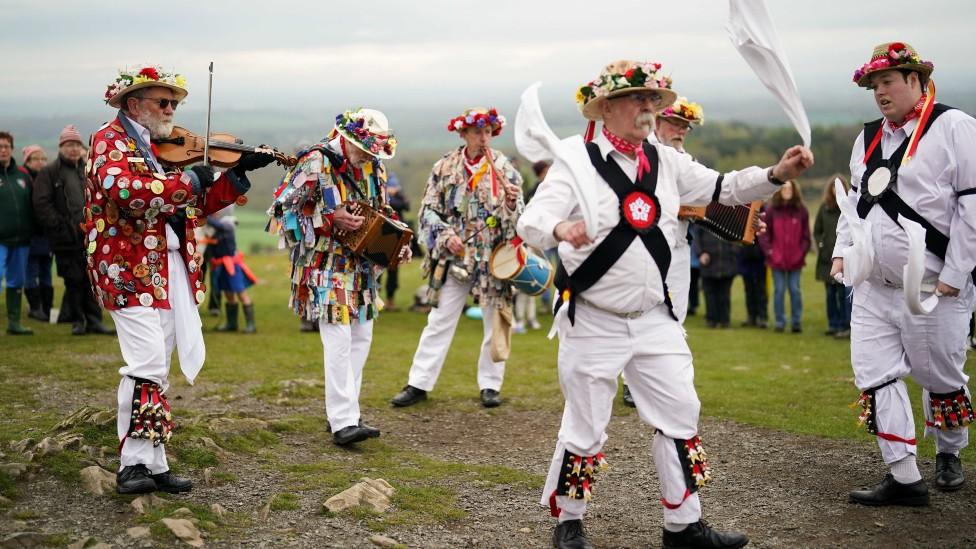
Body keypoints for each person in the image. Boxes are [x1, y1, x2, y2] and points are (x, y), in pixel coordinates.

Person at [518, 59, 813, 548]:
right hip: (593, 320)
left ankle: (683, 526)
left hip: (656, 319)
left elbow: (724, 188)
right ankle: (568, 523)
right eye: (639, 98)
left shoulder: (665, 159)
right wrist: (559, 229)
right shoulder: (573, 159)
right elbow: (532, 219)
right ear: (607, 107)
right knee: (586, 426)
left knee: (681, 414)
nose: (650, 107)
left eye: (654, 99)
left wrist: (777, 173)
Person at [87, 65, 267, 494]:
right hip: (126, 266)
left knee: (158, 365)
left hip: (168, 268)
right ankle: (131, 464)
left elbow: (188, 207)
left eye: (174, 103)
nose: (171, 110)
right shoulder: (108, 140)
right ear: (134, 104)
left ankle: (154, 460)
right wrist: (188, 179)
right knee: (146, 361)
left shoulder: (158, 146)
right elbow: (126, 193)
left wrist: (235, 176)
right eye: (163, 102)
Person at [835, 42, 976, 504]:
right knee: (874, 375)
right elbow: (855, 204)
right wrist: (842, 252)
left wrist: (956, 273)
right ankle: (903, 475)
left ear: (916, 80)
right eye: (874, 84)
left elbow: (972, 210)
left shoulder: (954, 127)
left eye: (888, 80)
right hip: (873, 287)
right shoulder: (869, 136)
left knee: (940, 376)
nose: (880, 92)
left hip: (935, 288)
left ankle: (950, 452)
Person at [269, 108, 407, 446]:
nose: (369, 157)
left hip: (362, 269)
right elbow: (280, 210)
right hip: (323, 264)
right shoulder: (315, 162)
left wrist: (399, 239)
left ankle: (348, 412)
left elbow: (382, 211)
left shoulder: (374, 165)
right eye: (365, 149)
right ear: (347, 139)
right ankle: (343, 420)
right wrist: (329, 218)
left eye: (374, 151)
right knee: (339, 337)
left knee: (362, 336)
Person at [391, 107, 523, 409]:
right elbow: (427, 210)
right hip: (456, 257)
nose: (484, 137)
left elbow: (521, 221)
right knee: (438, 320)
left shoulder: (505, 169)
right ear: (462, 134)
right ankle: (418, 383)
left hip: (493, 258)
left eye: (488, 131)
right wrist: (445, 233)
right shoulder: (444, 167)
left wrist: (513, 204)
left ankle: (491, 385)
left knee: (495, 322)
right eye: (477, 131)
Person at [623, 96, 705, 406]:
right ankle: (631, 383)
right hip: (643, 247)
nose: (681, 130)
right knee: (639, 312)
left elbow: (708, 199)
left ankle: (673, 382)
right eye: (675, 123)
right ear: (657, 122)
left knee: (676, 317)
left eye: (686, 126)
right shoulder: (641, 154)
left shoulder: (689, 162)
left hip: (680, 249)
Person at [33, 125, 114, 336]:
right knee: (73, 280)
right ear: (61, 147)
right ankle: (78, 321)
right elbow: (41, 204)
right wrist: (61, 227)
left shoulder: (86, 170)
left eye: (77, 145)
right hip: (65, 239)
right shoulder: (49, 172)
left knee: (92, 279)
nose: (73, 149)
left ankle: (94, 320)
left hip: (91, 236)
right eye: (69, 145)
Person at [762, 180, 810, 333]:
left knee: (795, 290)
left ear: (794, 190)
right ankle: (780, 321)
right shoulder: (771, 210)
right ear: (779, 190)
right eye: (784, 188)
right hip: (776, 260)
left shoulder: (802, 210)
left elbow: (806, 237)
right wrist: (770, 252)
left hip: (796, 260)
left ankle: (796, 322)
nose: (787, 190)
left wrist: (801, 252)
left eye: (790, 188)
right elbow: (764, 235)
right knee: (779, 290)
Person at [0, 131, 35, 335]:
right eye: (0, 146)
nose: (3, 150)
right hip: (1, 240)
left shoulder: (22, 175)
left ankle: (14, 323)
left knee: (16, 281)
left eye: (6, 146)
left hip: (22, 240)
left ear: (11, 149)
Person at [208, 207, 257, 333]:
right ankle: (231, 324)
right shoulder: (217, 225)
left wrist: (203, 214)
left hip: (232, 265)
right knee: (228, 294)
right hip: (221, 265)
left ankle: (251, 325)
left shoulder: (227, 223)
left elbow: (216, 224)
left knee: (241, 293)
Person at [813, 176, 850, 337]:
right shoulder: (824, 208)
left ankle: (845, 324)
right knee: (830, 294)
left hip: (844, 259)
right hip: (826, 259)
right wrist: (822, 244)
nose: (836, 190)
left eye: (840, 186)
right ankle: (832, 324)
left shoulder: (848, 208)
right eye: (834, 187)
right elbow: (817, 231)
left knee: (843, 294)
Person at [21, 144, 54, 322]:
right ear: (27, 161)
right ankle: (35, 308)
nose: (40, 162)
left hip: (47, 235)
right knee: (31, 272)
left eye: (43, 159)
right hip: (31, 236)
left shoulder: (47, 178)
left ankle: (47, 309)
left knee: (46, 273)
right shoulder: (24, 180)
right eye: (36, 159)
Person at [695, 224, 737, 329]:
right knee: (709, 294)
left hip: (726, 263)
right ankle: (711, 320)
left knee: (724, 294)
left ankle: (724, 320)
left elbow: (737, 239)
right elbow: (696, 238)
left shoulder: (731, 218)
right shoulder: (702, 217)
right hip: (708, 263)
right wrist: (700, 254)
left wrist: (734, 253)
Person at [383, 172, 410, 312]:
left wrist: (394, 196)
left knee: (393, 269)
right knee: (378, 267)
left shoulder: (398, 196)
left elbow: (406, 205)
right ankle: (376, 300)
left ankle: (390, 300)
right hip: (383, 234)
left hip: (397, 235)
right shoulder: (382, 194)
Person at [735, 227, 768, 328]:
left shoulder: (763, 213)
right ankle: (751, 316)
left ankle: (762, 317)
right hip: (746, 257)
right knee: (749, 289)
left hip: (760, 259)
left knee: (760, 289)